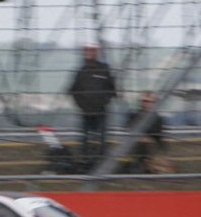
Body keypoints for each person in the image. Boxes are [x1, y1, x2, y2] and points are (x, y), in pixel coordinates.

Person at [67, 43, 117, 171]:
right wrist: (81, 105)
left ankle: (101, 161)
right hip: (86, 111)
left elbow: (112, 89)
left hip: (101, 111)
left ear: (97, 53)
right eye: (88, 51)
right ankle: (85, 160)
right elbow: (72, 90)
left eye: (92, 51)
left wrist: (104, 101)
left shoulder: (104, 69)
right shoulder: (81, 72)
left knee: (101, 137)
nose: (90, 53)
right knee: (85, 138)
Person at [126, 92, 171, 174]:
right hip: (138, 145)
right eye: (144, 101)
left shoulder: (157, 118)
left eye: (148, 101)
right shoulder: (134, 115)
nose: (145, 103)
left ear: (153, 103)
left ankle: (150, 165)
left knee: (164, 169)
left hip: (153, 146)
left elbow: (157, 134)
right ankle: (144, 164)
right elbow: (131, 130)